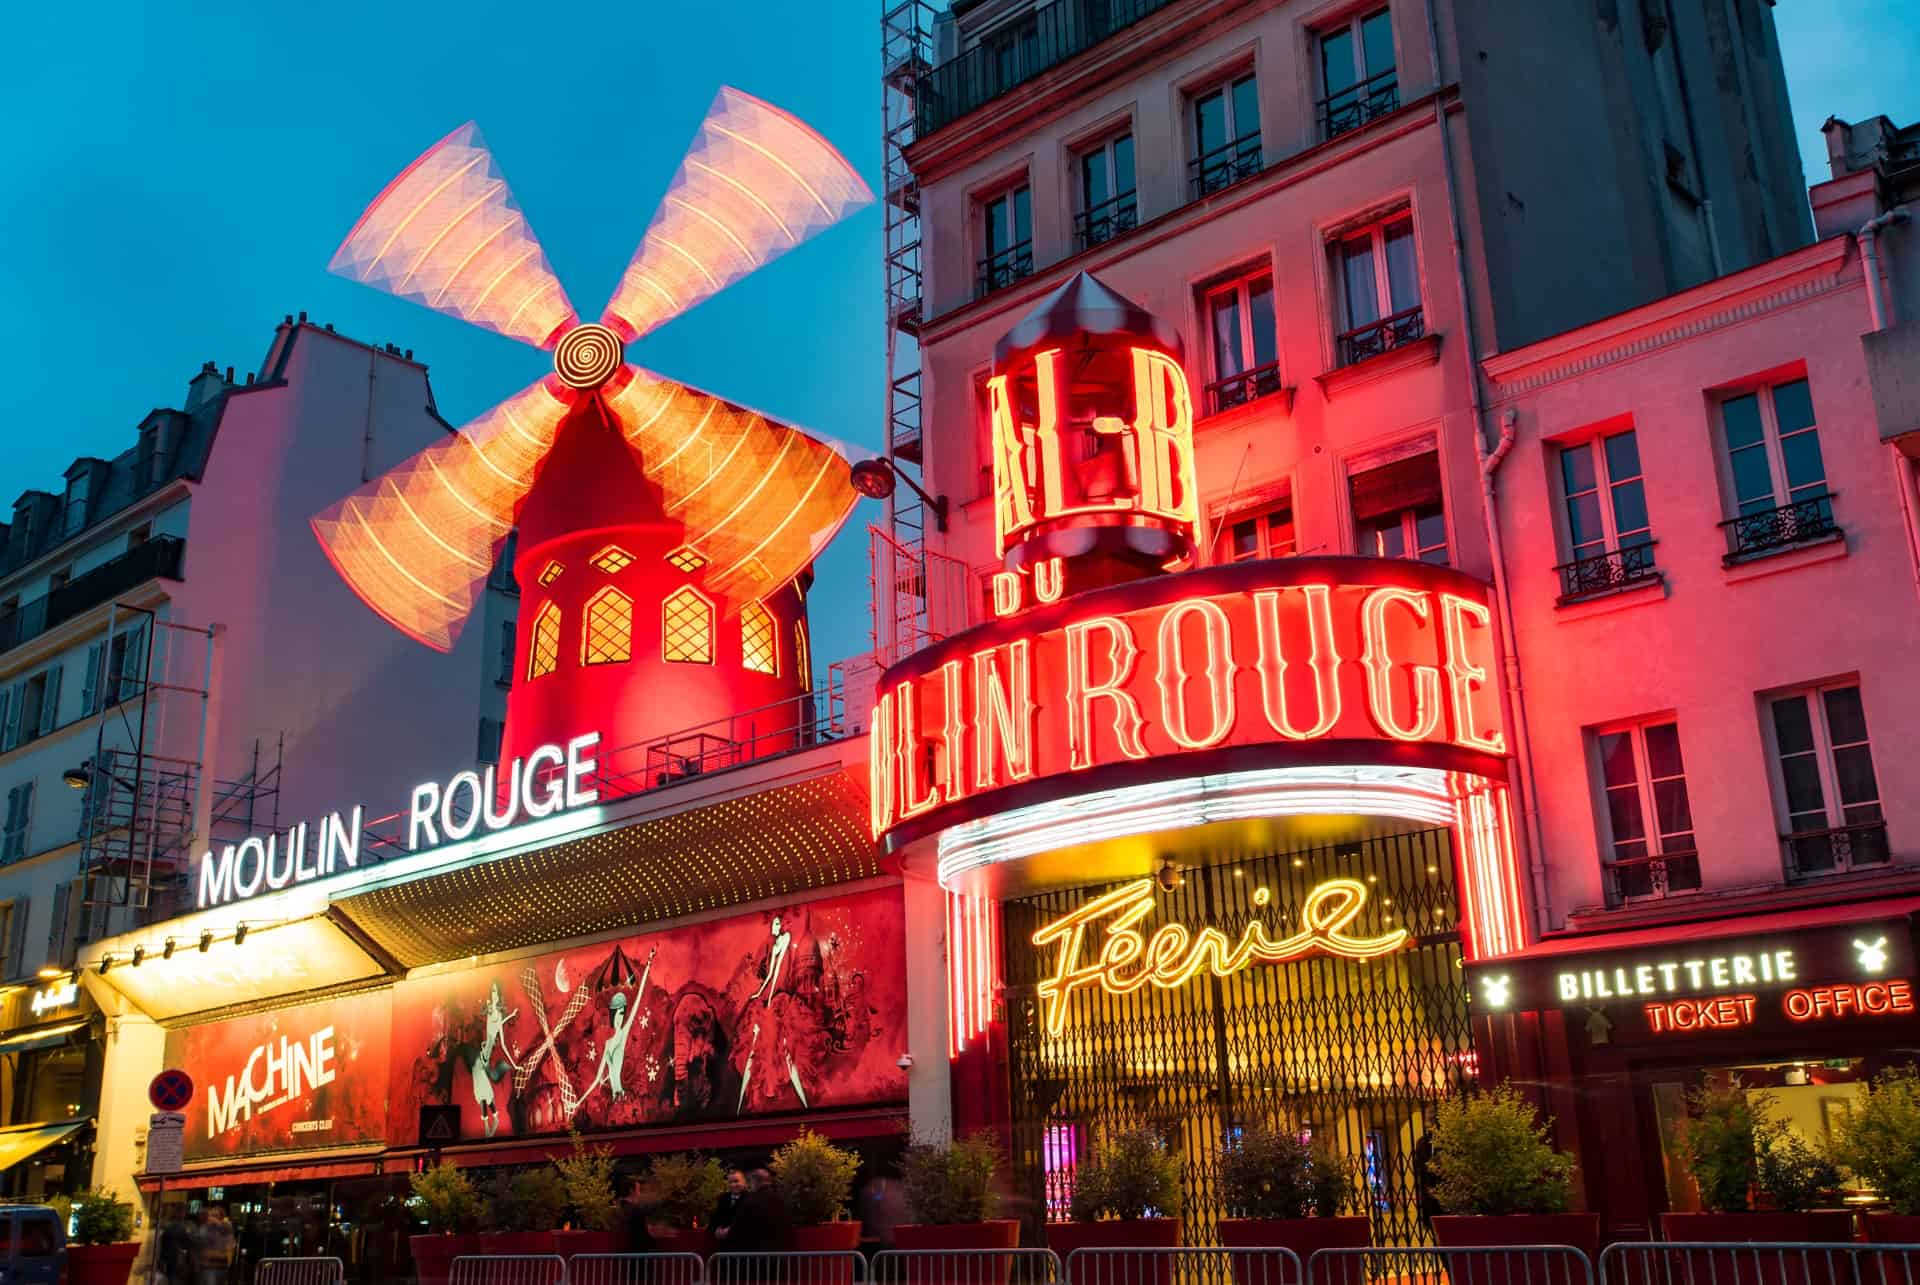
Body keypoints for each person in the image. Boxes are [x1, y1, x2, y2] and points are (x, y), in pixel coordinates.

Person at [724, 1168, 792, 1256]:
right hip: (780, 1254)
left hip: (756, 1256)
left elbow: (738, 1226)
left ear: (755, 1181)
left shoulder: (750, 1201)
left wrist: (727, 1232)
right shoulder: (782, 1199)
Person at [193, 1205, 236, 1285]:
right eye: (210, 1215)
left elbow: (229, 1240)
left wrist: (217, 1223)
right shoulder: (205, 1228)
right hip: (207, 1266)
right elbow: (198, 1241)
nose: (211, 1217)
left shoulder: (226, 1227)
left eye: (215, 1215)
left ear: (221, 1217)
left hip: (220, 1265)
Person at [711, 1169, 748, 1242]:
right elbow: (714, 1219)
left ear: (744, 1182)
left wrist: (731, 1230)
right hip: (724, 1246)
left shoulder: (751, 1199)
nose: (733, 1185)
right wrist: (716, 1230)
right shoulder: (723, 1199)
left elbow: (750, 1222)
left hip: (744, 1244)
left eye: (736, 1181)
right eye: (730, 1182)